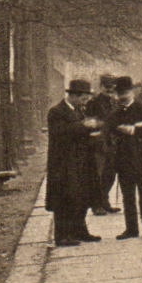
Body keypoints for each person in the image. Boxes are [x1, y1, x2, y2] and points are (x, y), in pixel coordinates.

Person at [45, 79, 106, 246]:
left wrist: (92, 134)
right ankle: (62, 235)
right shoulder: (56, 112)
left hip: (81, 161)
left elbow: (81, 132)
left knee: (82, 196)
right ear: (72, 95)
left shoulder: (79, 111)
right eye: (82, 98)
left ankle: (80, 230)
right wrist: (84, 126)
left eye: (86, 98)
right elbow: (61, 133)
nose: (84, 101)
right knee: (64, 198)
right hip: (64, 163)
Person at [107, 76, 142, 240]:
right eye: (119, 93)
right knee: (128, 197)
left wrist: (133, 131)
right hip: (124, 160)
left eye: (125, 92)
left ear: (133, 91)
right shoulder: (115, 113)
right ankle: (131, 229)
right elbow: (109, 132)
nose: (122, 96)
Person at [84, 72, 119, 215]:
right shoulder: (93, 103)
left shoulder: (115, 103)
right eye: (106, 86)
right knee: (98, 174)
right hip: (98, 143)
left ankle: (105, 201)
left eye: (112, 87)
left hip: (112, 142)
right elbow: (89, 123)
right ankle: (96, 204)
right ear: (101, 86)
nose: (109, 89)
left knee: (110, 174)